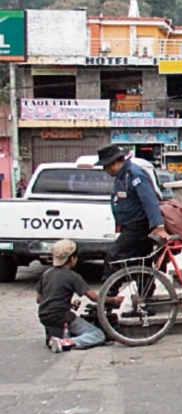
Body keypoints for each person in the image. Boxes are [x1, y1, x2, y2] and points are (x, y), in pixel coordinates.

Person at [37, 239, 121, 353]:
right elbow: (94, 298)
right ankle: (65, 342)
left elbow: (39, 299)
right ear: (72, 258)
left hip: (44, 317)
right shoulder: (72, 276)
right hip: (62, 317)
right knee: (98, 334)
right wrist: (114, 300)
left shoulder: (46, 274)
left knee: (68, 326)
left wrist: (68, 304)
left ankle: (56, 339)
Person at [99, 144, 168, 281]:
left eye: (105, 166)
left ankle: (108, 299)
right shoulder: (122, 176)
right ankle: (145, 296)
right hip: (129, 225)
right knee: (140, 262)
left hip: (138, 226)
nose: (104, 170)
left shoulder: (134, 173)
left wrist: (158, 226)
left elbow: (149, 200)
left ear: (112, 164)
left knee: (114, 257)